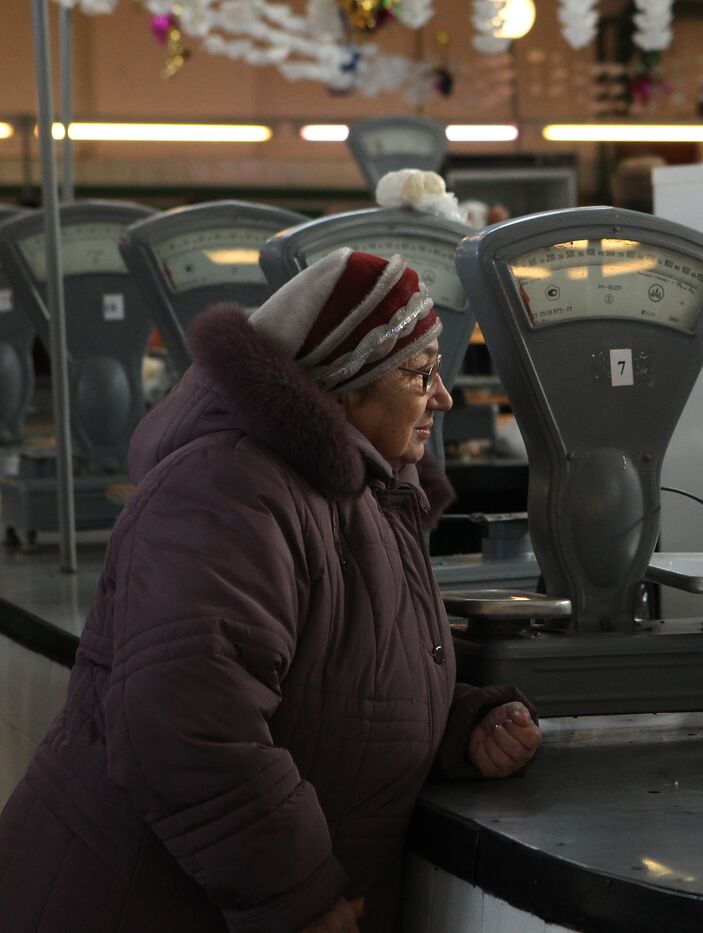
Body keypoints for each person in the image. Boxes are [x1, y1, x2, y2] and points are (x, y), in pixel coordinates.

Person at [0, 249, 541, 933]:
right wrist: (295, 894)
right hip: (129, 902)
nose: (444, 395)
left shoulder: (366, 494)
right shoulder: (228, 489)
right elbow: (182, 719)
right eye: (420, 371)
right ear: (345, 386)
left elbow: (347, 678)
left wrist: (463, 724)